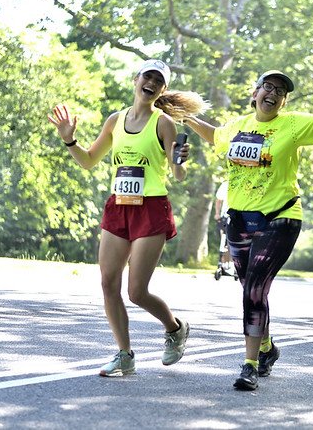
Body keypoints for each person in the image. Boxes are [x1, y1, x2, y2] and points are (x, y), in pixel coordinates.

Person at [184, 52, 313, 391]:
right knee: (250, 290)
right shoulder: (237, 127)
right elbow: (214, 134)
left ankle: (249, 365)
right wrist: (185, 117)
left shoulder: (292, 124)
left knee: (256, 287)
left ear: (283, 101)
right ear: (255, 92)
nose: (272, 94)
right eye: (267, 87)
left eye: (280, 91)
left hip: (281, 218)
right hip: (240, 221)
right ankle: (267, 347)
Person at [48, 58, 206, 376]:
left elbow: (177, 175)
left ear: (161, 89)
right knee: (108, 283)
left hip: (151, 208)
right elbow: (89, 161)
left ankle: (175, 328)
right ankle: (124, 354)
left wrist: (179, 161)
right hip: (118, 206)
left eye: (158, 81)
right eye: (147, 76)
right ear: (135, 80)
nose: (151, 83)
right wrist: (69, 139)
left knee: (136, 292)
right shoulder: (115, 121)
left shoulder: (163, 123)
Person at [213, 180, 236, 280]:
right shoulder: (226, 184)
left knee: (233, 242)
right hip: (225, 216)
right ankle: (222, 264)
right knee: (224, 241)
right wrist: (217, 214)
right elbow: (218, 200)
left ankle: (231, 265)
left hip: (238, 215)